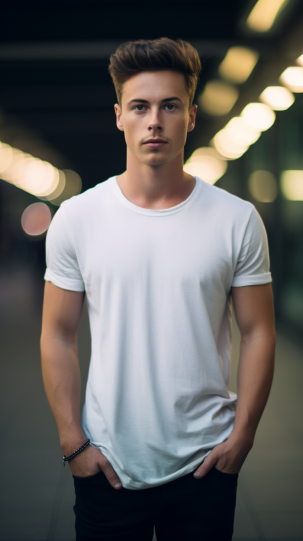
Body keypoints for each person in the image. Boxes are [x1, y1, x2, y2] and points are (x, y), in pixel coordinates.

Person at [40, 38, 276, 541]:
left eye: (169, 106)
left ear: (190, 117)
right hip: (106, 464)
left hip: (207, 463)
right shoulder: (78, 218)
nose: (155, 121)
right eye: (140, 106)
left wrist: (244, 437)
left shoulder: (237, 219)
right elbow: (57, 334)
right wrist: (73, 442)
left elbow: (258, 332)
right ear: (119, 116)